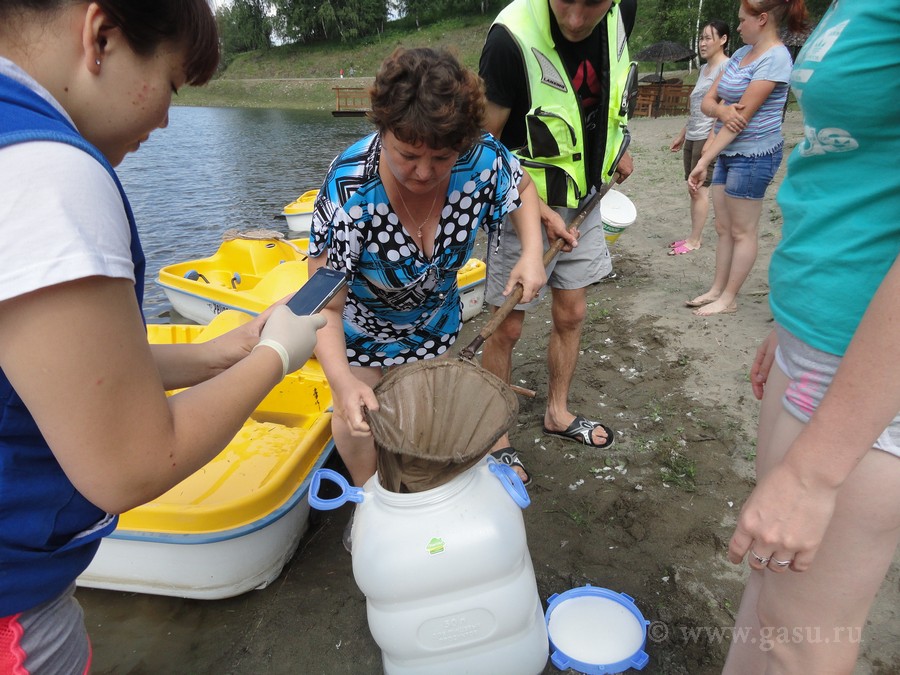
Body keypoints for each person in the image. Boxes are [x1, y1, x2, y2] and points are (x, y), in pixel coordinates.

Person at [0, 1, 325, 670]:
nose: (165, 120)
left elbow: (57, 370)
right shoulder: (51, 175)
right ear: (101, 36)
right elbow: (134, 462)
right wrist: (275, 355)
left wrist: (217, 353)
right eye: (172, 86)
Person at [722, 2, 900, 673]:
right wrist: (790, 319)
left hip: (865, 371)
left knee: (802, 637)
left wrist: (816, 473)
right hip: (812, 343)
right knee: (767, 591)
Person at [307, 47, 546, 534]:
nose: (423, 172)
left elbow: (521, 188)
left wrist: (532, 252)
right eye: (408, 155)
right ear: (383, 130)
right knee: (356, 418)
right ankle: (373, 508)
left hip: (434, 321)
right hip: (361, 329)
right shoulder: (349, 189)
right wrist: (342, 382)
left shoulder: (480, 157)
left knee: (427, 418)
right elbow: (322, 306)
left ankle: (425, 496)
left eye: (441, 157)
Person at [478, 0, 637, 477]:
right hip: (520, 202)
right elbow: (484, 148)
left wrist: (618, 145)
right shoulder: (508, 40)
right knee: (506, 326)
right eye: (567, 0)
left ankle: (557, 412)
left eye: (592, 3)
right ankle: (495, 435)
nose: (576, 18)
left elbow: (610, 89)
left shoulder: (623, 12)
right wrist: (540, 212)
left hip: (585, 196)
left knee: (572, 312)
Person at [685, 0, 802, 316]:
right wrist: (721, 111)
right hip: (727, 151)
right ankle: (716, 289)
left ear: (762, 19)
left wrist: (703, 160)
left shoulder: (776, 58)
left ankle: (729, 298)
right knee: (723, 227)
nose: (737, 27)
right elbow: (710, 102)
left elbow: (740, 121)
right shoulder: (739, 55)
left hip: (753, 156)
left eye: (741, 20)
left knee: (742, 230)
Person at [667, 19, 730, 256]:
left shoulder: (727, 67)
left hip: (707, 136)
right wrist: (682, 134)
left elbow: (723, 106)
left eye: (708, 38)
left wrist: (712, 141)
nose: (703, 43)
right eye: (701, 38)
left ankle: (694, 240)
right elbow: (696, 107)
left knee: (700, 188)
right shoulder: (704, 69)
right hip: (693, 134)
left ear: (723, 40)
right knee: (692, 188)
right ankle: (694, 236)